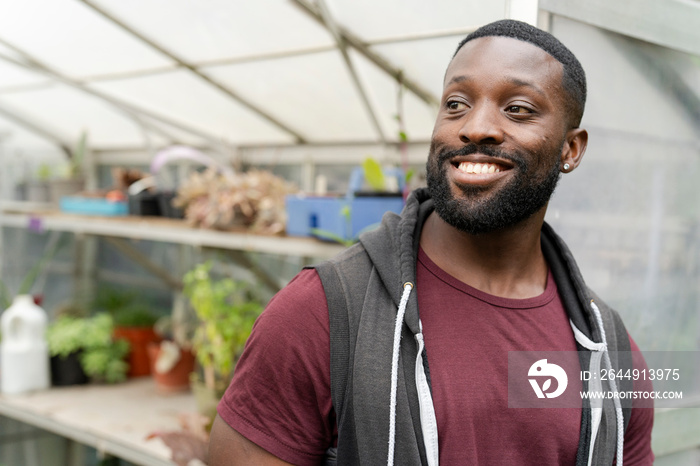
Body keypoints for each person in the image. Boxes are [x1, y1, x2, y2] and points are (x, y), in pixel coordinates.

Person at [208, 19, 654, 465]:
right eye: (456, 103)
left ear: (570, 150)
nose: (476, 128)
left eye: (517, 109)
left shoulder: (611, 350)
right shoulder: (324, 313)